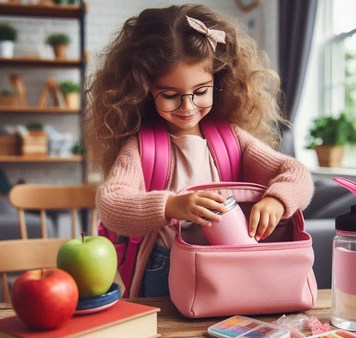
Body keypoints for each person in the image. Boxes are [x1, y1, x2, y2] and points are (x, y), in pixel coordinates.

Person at [85, 4, 314, 298]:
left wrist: (277, 201)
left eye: (201, 91)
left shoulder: (232, 138)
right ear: (142, 91)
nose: (188, 107)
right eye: (170, 95)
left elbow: (295, 172)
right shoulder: (142, 147)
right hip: (164, 264)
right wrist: (170, 206)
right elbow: (111, 204)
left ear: (219, 82)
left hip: (228, 263)